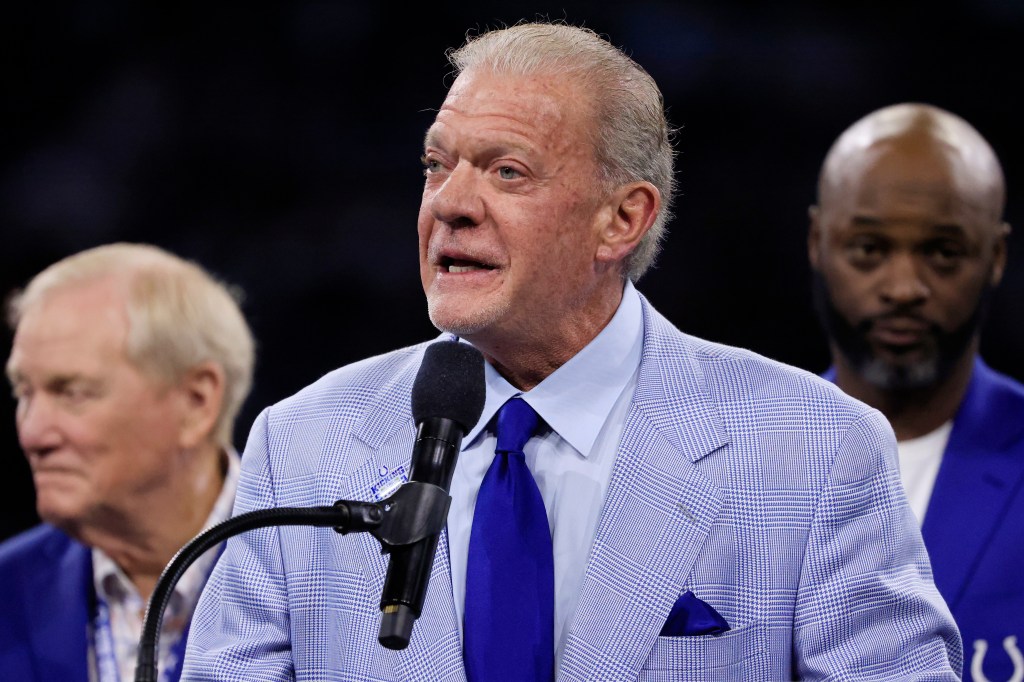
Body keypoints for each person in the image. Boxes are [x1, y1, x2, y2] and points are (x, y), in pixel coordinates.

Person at [184, 21, 961, 680]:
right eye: (436, 164)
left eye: (505, 171)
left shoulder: (817, 450)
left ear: (621, 220)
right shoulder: (303, 445)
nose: (450, 204)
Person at [808, 102, 1022, 682]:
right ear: (818, 242)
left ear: (995, 257)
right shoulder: (740, 471)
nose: (904, 288)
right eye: (869, 250)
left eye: (943, 253)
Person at [0, 242, 256, 682]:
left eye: (72, 392)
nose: (33, 433)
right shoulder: (6, 589)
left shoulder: (326, 579)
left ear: (196, 402)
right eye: (24, 393)